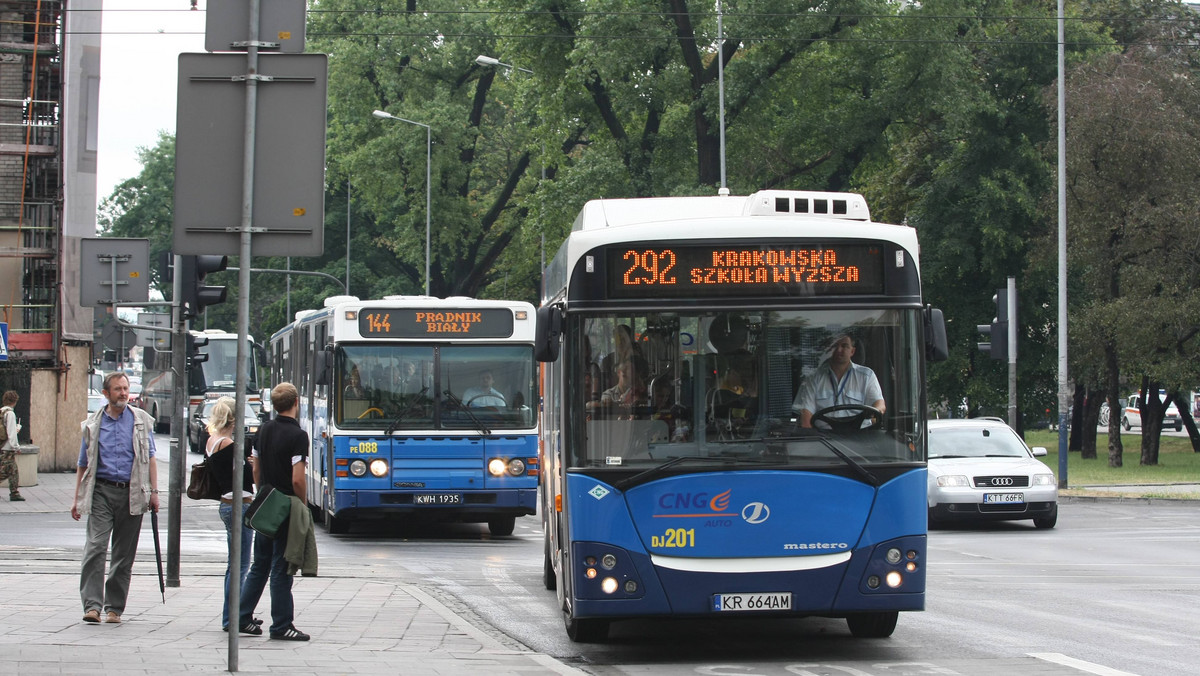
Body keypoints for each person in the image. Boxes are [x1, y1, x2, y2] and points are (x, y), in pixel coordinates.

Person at [71, 372, 160, 624]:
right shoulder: (92, 424)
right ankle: (91, 606)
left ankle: (114, 608)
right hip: (101, 491)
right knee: (95, 547)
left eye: (125, 388)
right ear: (106, 394)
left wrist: (154, 492)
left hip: (132, 492)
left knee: (123, 555)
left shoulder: (140, 420)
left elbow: (150, 458)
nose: (123, 393)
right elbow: (82, 464)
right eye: (118, 389)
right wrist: (77, 498)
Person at [237, 382, 310, 641]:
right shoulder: (298, 436)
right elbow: (298, 479)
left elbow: (255, 469)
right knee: (281, 566)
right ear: (295, 403)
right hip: (286, 504)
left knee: (260, 564)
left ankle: (242, 616)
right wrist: (301, 503)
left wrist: (262, 491)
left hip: (266, 500)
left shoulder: (263, 430)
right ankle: (281, 625)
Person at [205, 397, 257, 632]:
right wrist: (251, 463)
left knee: (233, 565)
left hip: (226, 503)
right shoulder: (228, 444)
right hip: (240, 504)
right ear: (233, 418)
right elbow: (248, 477)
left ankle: (232, 615)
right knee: (241, 565)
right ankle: (234, 618)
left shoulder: (211, 440)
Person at [793, 333, 885, 428]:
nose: (839, 350)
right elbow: (806, 416)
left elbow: (880, 405)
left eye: (844, 346)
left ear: (852, 351)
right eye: (835, 346)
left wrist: (873, 413)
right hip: (824, 439)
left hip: (861, 438)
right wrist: (811, 439)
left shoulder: (867, 376)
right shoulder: (813, 378)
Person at [0, 390, 24, 501]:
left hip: (2, 446)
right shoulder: (10, 414)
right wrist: (16, 447)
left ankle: (14, 493)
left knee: (12, 470)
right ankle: (14, 493)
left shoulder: (1, 412)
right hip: (8, 448)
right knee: (7, 471)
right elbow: (11, 432)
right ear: (14, 401)